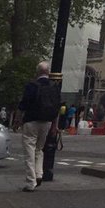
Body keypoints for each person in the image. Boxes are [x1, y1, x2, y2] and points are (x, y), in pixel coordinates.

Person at [17, 61, 60, 192]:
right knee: (39, 149)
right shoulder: (54, 86)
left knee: (29, 150)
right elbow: (57, 107)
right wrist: (55, 126)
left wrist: (18, 120)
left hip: (31, 121)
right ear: (48, 72)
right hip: (46, 122)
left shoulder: (31, 85)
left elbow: (23, 104)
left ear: (37, 72)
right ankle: (39, 174)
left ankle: (31, 181)